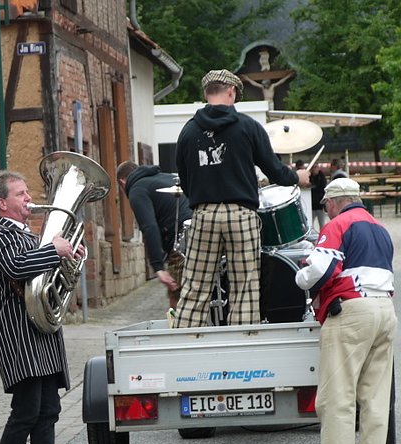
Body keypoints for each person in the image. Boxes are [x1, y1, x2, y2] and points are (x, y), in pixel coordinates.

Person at [172, 68, 310, 328]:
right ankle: (241, 345)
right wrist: (297, 178)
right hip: (242, 215)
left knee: (195, 287)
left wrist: (204, 201)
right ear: (232, 92)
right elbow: (274, 170)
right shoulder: (248, 127)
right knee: (244, 287)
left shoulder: (188, 132)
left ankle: (185, 343)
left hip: (204, 215)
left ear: (206, 93)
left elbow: (185, 179)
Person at [0, 170, 88, 444]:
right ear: (2, 203)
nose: (29, 198)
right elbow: (16, 268)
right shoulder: (0, 236)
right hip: (19, 335)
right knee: (26, 410)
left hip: (41, 332)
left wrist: (69, 255)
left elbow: (46, 271)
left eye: (28, 192)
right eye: (21, 194)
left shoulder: (30, 235)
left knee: (47, 410)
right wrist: (54, 250)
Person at [295, 178, 396, 444]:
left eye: (326, 206)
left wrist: (301, 276)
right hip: (385, 311)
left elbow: (320, 270)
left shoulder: (339, 224)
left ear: (335, 202)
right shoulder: (380, 229)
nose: (326, 211)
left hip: (352, 312)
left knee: (338, 396)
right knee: (375, 397)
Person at [116, 161, 192, 309]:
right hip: (202, 229)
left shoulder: (136, 190)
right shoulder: (168, 178)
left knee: (177, 296)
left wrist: (158, 267)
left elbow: (149, 227)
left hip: (181, 242)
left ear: (122, 182)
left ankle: (179, 330)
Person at [309, 163, 328, 231]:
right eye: (313, 167)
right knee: (309, 223)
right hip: (311, 204)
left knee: (322, 224)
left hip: (320, 204)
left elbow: (323, 188)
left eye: (315, 167)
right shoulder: (309, 176)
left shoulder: (321, 177)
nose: (314, 169)